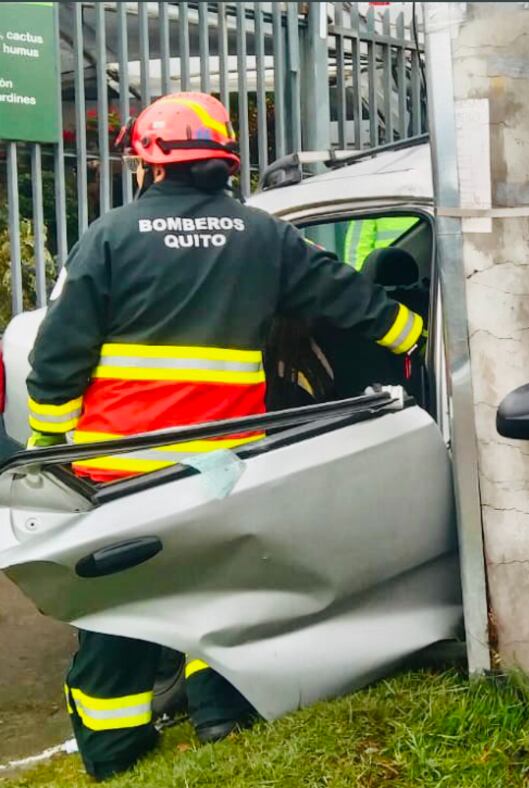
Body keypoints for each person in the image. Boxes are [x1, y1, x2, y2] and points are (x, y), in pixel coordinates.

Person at [26, 92, 426, 780]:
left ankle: (116, 750)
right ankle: (218, 713)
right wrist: (415, 339)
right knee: (220, 588)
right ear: (224, 160)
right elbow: (346, 298)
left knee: (121, 607)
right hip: (221, 464)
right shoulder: (262, 235)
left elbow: (58, 357)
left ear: (150, 162)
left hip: (121, 470)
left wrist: (49, 449)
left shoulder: (111, 237)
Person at [340, 215, 418, 271]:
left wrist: (358, 283)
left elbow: (356, 249)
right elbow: (356, 249)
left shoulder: (372, 199)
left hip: (385, 276)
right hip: (422, 273)